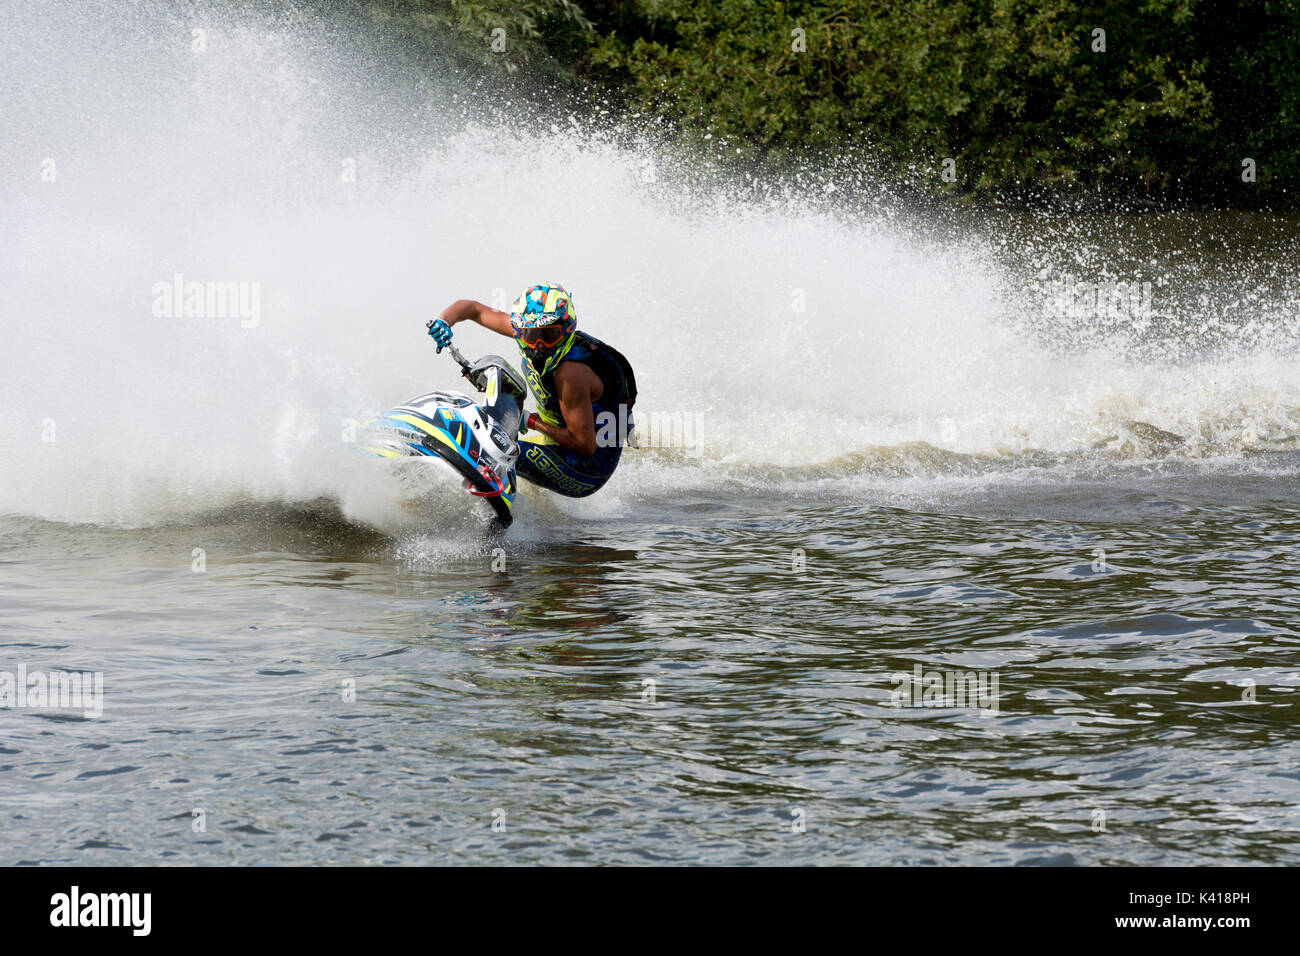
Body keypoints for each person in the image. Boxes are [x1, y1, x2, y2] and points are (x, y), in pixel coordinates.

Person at [428, 283, 637, 497]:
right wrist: (444, 321)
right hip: (559, 437)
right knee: (486, 435)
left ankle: (480, 496)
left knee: (494, 453)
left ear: (567, 329)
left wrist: (530, 421)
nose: (538, 345)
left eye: (549, 336)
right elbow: (472, 308)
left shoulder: (572, 374)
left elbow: (584, 445)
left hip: (586, 469)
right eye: (530, 335)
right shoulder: (528, 327)